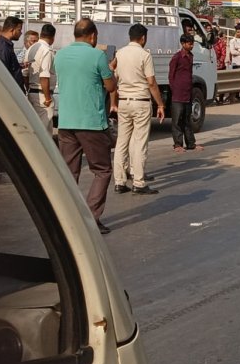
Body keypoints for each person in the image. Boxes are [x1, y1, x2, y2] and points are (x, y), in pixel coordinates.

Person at [54, 18, 117, 234]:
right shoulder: (97, 55)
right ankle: (91, 218)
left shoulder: (60, 55)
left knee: (70, 173)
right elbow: (110, 86)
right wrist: (110, 70)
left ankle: (68, 217)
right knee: (102, 170)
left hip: (66, 122)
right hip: (91, 122)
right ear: (92, 35)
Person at [112, 23, 165, 195]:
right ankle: (138, 182)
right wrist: (161, 104)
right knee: (139, 142)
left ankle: (119, 182)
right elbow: (151, 82)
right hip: (141, 101)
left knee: (121, 142)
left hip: (124, 102)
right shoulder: (144, 55)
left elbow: (112, 71)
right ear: (143, 38)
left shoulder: (119, 53)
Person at [169, 33, 204, 154]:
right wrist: (175, 89)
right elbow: (171, 75)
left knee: (187, 119)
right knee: (177, 120)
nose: (192, 45)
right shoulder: (177, 57)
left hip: (187, 92)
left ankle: (190, 143)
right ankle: (177, 144)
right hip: (178, 93)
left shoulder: (190, 56)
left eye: (192, 43)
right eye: (189, 43)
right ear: (183, 44)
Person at [25, 23, 56, 136]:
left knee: (34, 130)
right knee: (44, 134)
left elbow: (25, 73)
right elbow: (44, 76)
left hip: (32, 92)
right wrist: (47, 98)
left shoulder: (31, 48)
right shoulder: (47, 50)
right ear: (52, 37)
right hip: (43, 95)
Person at [0, 16, 24, 89]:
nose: (21, 33)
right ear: (12, 30)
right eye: (19, 30)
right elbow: (2, 72)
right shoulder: (3, 47)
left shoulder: (6, 45)